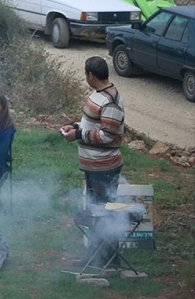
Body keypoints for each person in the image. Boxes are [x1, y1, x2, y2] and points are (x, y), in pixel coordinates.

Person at [59, 56, 125, 267]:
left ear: (91, 75)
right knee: (95, 212)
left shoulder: (111, 101)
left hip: (104, 167)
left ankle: (108, 260)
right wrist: (75, 126)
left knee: (104, 213)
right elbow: (91, 123)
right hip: (93, 166)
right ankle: (98, 256)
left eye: (85, 74)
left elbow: (107, 135)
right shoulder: (98, 94)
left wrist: (78, 135)